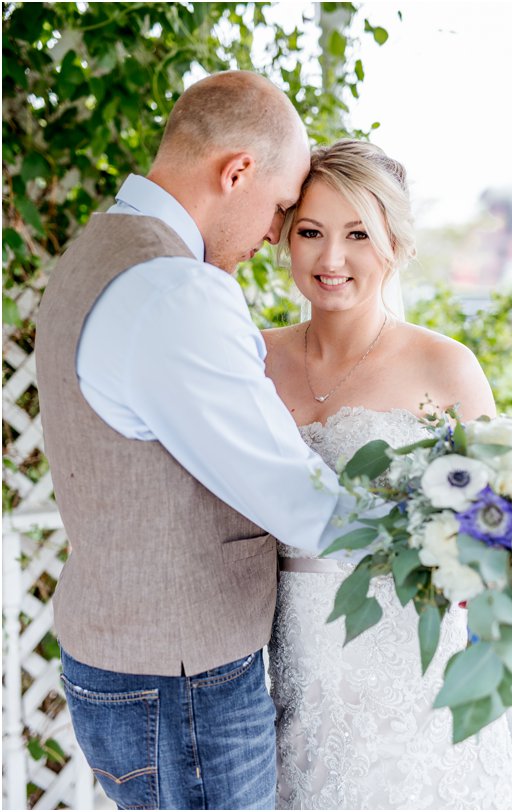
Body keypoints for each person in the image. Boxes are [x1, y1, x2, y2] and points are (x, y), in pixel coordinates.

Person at [35, 71, 371, 810]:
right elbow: (296, 500)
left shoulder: (97, 251)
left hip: (127, 664)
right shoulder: (174, 290)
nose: (274, 236)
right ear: (238, 172)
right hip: (183, 687)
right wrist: (444, 534)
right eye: (282, 209)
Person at [261, 139, 512, 810]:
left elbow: (497, 545)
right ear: (285, 238)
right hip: (279, 664)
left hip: (411, 669)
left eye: (358, 235)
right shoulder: (253, 359)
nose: (331, 259)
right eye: (312, 233)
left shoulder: (447, 368)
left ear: (396, 246)